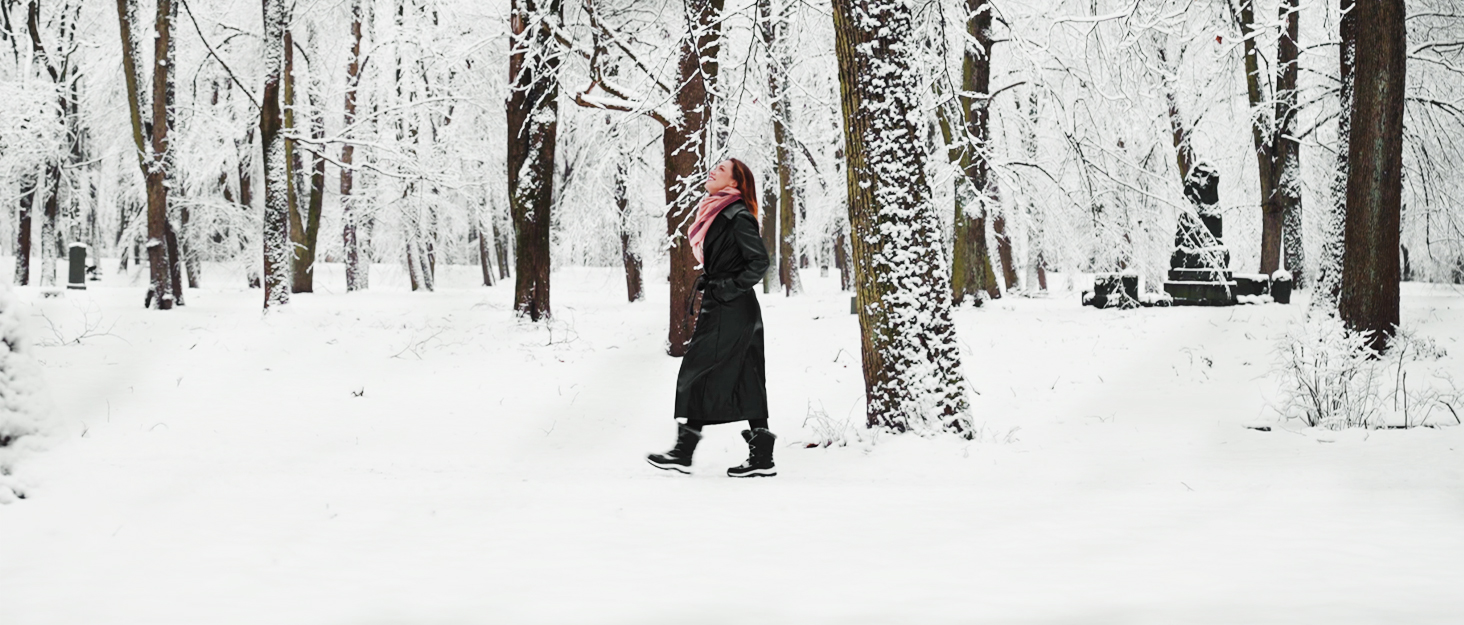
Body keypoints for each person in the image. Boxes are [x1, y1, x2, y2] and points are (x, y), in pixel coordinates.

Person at [647, 158, 775, 478]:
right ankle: (761, 457)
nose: (713, 170)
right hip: (730, 307)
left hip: (730, 308)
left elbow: (759, 262)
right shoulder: (720, 212)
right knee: (747, 377)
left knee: (698, 371)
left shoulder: (736, 215)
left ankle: (683, 452)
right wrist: (717, 282)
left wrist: (725, 287)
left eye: (721, 169)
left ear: (734, 183)